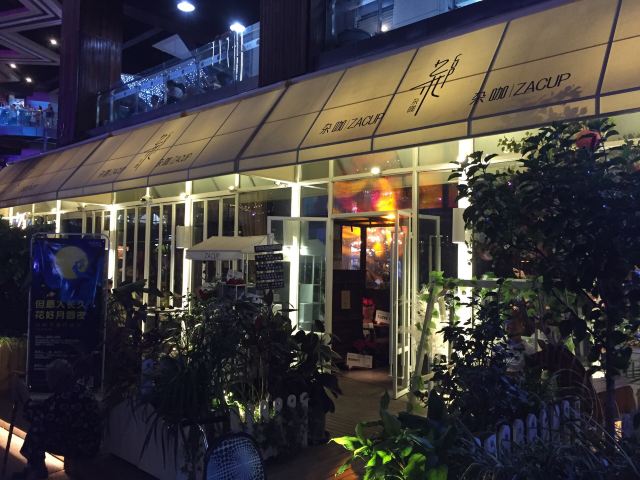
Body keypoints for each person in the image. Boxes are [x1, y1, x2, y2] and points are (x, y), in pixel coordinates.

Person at [12, 360, 102, 480]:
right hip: (87, 440)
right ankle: (33, 468)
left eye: (49, 377)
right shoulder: (77, 389)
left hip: (81, 444)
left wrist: (25, 396)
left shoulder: (66, 397)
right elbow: (49, 408)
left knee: (36, 432)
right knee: (39, 428)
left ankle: (36, 470)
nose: (47, 381)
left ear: (58, 379)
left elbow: (40, 417)